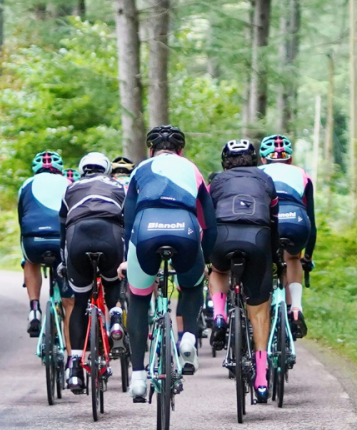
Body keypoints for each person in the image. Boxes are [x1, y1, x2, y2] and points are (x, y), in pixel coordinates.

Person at [122, 125, 217, 402]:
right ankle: (187, 337)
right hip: (184, 230)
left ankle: (138, 378)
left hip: (145, 231)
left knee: (139, 299)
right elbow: (209, 224)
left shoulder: (140, 170)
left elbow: (127, 220)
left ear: (150, 150)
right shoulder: (192, 170)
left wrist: (128, 256)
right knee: (191, 285)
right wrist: (206, 260)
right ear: (180, 150)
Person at [208, 139, 279, 403]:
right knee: (259, 310)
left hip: (223, 235)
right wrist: (274, 257)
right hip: (258, 236)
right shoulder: (265, 179)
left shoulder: (216, 182)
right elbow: (274, 221)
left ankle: (218, 315)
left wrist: (205, 253)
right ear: (255, 160)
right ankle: (261, 379)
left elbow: (204, 217)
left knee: (217, 270)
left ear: (225, 162)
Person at [59, 152, 127, 393]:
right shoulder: (118, 186)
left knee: (79, 303)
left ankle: (75, 368)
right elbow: (128, 222)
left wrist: (63, 261)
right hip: (110, 235)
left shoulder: (71, 187)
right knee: (112, 283)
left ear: (81, 169)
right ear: (107, 169)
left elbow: (62, 225)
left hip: (77, 236)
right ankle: (116, 318)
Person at [259, 134, 316, 339]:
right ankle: (296, 309)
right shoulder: (302, 174)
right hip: (296, 219)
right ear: (289, 159)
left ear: (263, 159)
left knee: (262, 259)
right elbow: (312, 220)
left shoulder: (257, 173)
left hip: (267, 219)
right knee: (292, 257)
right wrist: (307, 257)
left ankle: (261, 309)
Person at [18, 151, 73, 337]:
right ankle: (71, 357)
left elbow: (21, 218)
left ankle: (34, 308)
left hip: (33, 240)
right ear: (60, 169)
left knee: (29, 260)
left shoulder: (26, 184)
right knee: (70, 302)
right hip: (61, 241)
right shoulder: (69, 183)